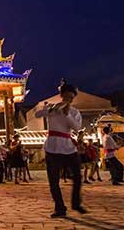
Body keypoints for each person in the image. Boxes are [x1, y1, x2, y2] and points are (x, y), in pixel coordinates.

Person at [35, 80, 86, 218]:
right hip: (52, 147)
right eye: (66, 97)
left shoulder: (75, 112)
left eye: (71, 97)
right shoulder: (53, 109)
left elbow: (76, 127)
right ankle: (60, 208)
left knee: (78, 176)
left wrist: (67, 114)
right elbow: (37, 115)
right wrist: (49, 109)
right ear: (62, 96)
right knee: (53, 181)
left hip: (68, 147)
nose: (68, 99)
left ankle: (76, 203)